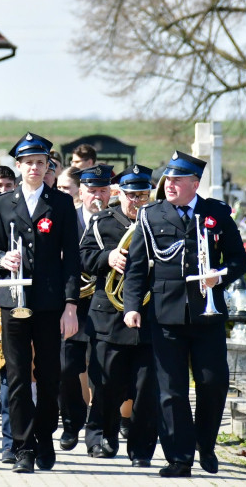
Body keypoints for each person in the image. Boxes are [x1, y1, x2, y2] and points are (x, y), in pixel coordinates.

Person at [122, 151, 246, 478]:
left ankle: (205, 444)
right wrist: (132, 307)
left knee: (213, 382)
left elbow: (239, 259)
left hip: (207, 314)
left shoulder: (215, 213)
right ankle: (179, 458)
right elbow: (136, 267)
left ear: (195, 183)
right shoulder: (150, 216)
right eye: (169, 179)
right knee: (171, 390)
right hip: (166, 316)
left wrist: (219, 276)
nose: (171, 185)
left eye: (178, 180)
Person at [0, 133, 80, 473]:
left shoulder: (60, 204)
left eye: (40, 163)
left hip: (47, 300)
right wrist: (3, 259)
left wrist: (70, 305)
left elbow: (71, 258)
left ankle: (44, 439)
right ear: (18, 166)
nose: (34, 168)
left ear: (47, 168)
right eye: (28, 163)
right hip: (13, 300)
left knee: (48, 375)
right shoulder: (2, 203)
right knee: (16, 376)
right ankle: (22, 445)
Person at [82, 164, 157, 466]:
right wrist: (107, 257)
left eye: (142, 195)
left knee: (145, 387)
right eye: (131, 195)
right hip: (109, 316)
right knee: (106, 384)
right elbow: (84, 257)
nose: (136, 201)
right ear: (120, 193)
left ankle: (141, 450)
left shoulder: (156, 222)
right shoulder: (102, 222)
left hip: (147, 316)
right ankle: (102, 437)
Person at [59, 164, 113, 453]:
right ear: (80, 192)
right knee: (67, 368)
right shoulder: (68, 218)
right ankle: (71, 421)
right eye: (91, 190)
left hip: (104, 307)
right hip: (72, 307)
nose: (97, 196)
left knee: (100, 373)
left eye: (103, 190)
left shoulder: (115, 221)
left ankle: (96, 433)